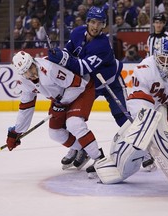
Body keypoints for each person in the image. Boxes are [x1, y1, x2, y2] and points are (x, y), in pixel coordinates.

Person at [94, 36, 168, 193]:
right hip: (152, 108)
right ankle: (116, 167)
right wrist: (146, 127)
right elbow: (138, 102)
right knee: (133, 139)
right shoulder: (144, 69)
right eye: (162, 58)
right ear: (154, 55)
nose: (166, 63)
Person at [47, 6, 129, 172]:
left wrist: (63, 59)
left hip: (110, 81)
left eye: (100, 23)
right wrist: (59, 55)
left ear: (104, 25)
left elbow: (83, 67)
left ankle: (144, 151)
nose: (96, 26)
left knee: (122, 117)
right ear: (87, 22)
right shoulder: (77, 32)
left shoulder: (103, 44)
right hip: (90, 84)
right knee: (75, 117)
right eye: (93, 21)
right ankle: (79, 148)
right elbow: (68, 52)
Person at [6, 51, 104, 170]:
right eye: (25, 72)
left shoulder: (50, 69)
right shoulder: (24, 81)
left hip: (82, 88)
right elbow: (26, 106)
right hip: (60, 97)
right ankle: (82, 149)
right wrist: (17, 132)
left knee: (74, 124)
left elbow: (78, 85)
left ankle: (99, 158)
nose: (30, 73)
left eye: (30, 67)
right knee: (55, 133)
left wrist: (62, 102)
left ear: (33, 61)